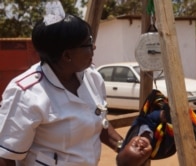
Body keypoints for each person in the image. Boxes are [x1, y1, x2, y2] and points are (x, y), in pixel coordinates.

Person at [0, 13, 152, 166]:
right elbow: (6, 156)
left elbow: (98, 121)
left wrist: (122, 146)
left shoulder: (92, 78)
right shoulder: (25, 94)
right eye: (88, 43)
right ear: (67, 56)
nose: (94, 47)